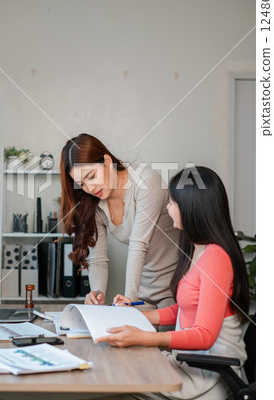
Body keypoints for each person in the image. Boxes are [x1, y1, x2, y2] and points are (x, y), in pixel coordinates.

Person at [96, 166, 250, 400]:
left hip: (206, 373)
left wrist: (143, 337)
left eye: (171, 202)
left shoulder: (216, 258)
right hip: (189, 363)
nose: (167, 208)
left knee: (113, 383)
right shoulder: (198, 250)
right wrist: (134, 316)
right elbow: (187, 308)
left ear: (191, 207)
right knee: (112, 375)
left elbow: (205, 335)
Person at [60, 133, 179, 309]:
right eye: (81, 184)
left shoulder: (146, 182)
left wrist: (128, 300)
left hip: (175, 287)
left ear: (107, 161)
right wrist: (97, 293)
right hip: (144, 290)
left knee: (164, 334)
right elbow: (98, 258)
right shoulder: (95, 204)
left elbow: (138, 245)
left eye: (91, 176)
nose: (90, 188)